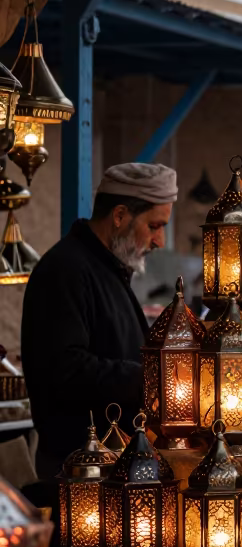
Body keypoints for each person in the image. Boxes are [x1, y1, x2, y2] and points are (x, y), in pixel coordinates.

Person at [22, 162, 177, 479]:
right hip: (80, 472)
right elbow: (65, 369)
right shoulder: (65, 270)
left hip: (114, 463)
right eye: (155, 226)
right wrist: (150, 378)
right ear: (120, 216)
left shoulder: (110, 270)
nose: (159, 241)